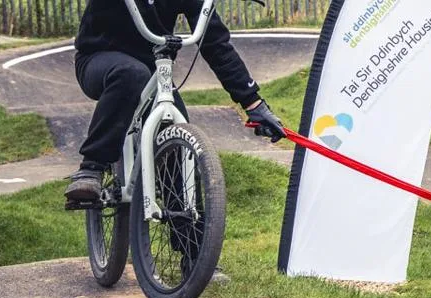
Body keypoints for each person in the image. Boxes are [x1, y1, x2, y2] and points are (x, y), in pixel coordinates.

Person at [65, 0, 285, 203]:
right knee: (130, 74)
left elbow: (216, 45)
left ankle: (186, 223)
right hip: (99, 57)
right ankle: (91, 167)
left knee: (177, 131)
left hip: (151, 68)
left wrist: (253, 104)